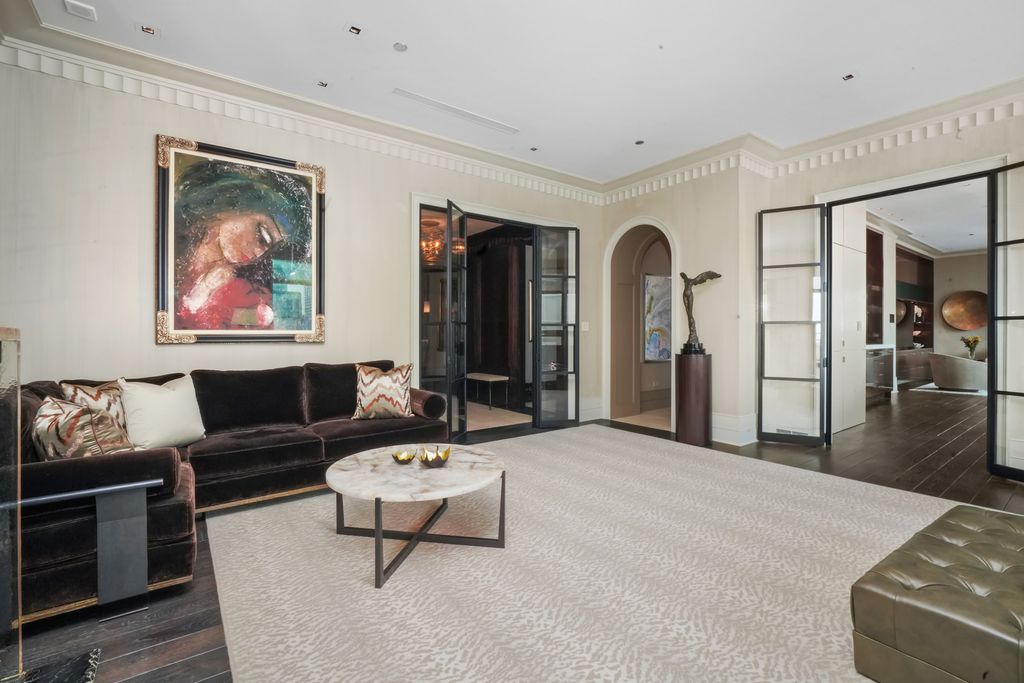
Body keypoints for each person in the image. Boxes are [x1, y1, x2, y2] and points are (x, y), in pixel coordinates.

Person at [172, 157, 313, 330]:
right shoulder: (172, 244)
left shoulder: (238, 287)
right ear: (233, 201)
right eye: (263, 236)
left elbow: (232, 319)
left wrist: (262, 317)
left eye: (270, 252)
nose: (260, 255)